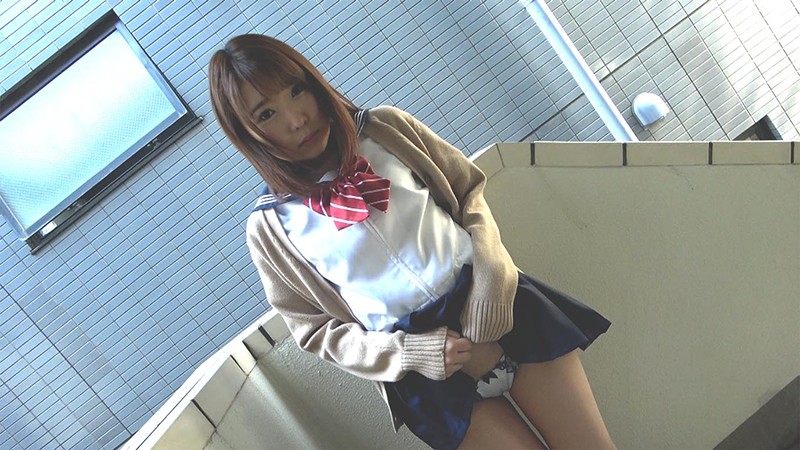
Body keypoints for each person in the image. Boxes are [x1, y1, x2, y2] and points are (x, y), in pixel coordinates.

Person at [208, 33, 615, 450]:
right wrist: (405, 353)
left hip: (501, 307)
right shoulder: (271, 227)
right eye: (267, 113)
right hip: (426, 371)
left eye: (296, 90)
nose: (296, 119)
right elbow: (315, 331)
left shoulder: (385, 129)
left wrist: (493, 283)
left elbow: (469, 193)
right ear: (247, 133)